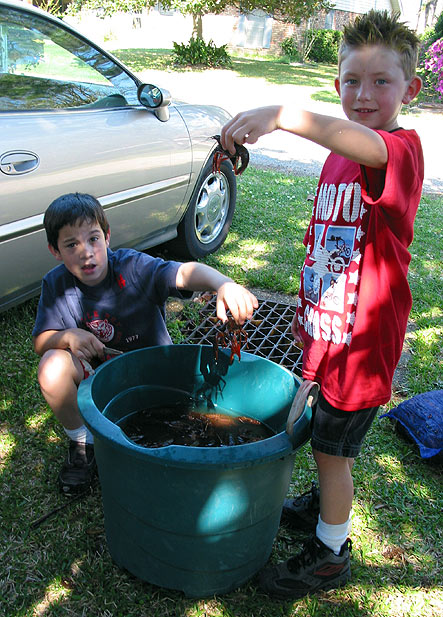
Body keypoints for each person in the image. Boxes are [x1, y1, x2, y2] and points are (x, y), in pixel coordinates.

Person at [220, 9, 423, 599]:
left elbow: (366, 143)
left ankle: (332, 554)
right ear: (335, 84)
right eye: (352, 81)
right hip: (328, 331)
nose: (363, 94)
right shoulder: (339, 154)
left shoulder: (400, 152)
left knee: (333, 450)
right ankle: (320, 507)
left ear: (409, 89)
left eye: (381, 81)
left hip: (364, 345)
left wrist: (282, 115)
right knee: (325, 440)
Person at [33, 192, 258, 495]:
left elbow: (184, 273)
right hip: (99, 384)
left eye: (93, 239)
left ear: (107, 236)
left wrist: (223, 283)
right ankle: (82, 445)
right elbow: (42, 341)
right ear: (55, 250)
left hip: (152, 379)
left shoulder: (132, 267)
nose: (86, 252)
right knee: (51, 365)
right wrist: (67, 336)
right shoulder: (55, 284)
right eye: (71, 244)